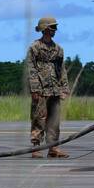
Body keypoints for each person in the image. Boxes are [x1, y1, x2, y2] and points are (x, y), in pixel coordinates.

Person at [26, 16, 70, 159]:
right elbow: (31, 68)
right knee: (39, 118)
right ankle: (36, 147)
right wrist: (34, 89)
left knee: (54, 120)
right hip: (41, 89)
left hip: (55, 89)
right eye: (52, 28)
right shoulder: (35, 48)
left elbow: (62, 69)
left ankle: (53, 148)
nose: (55, 30)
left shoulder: (58, 49)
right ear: (45, 29)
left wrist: (65, 87)